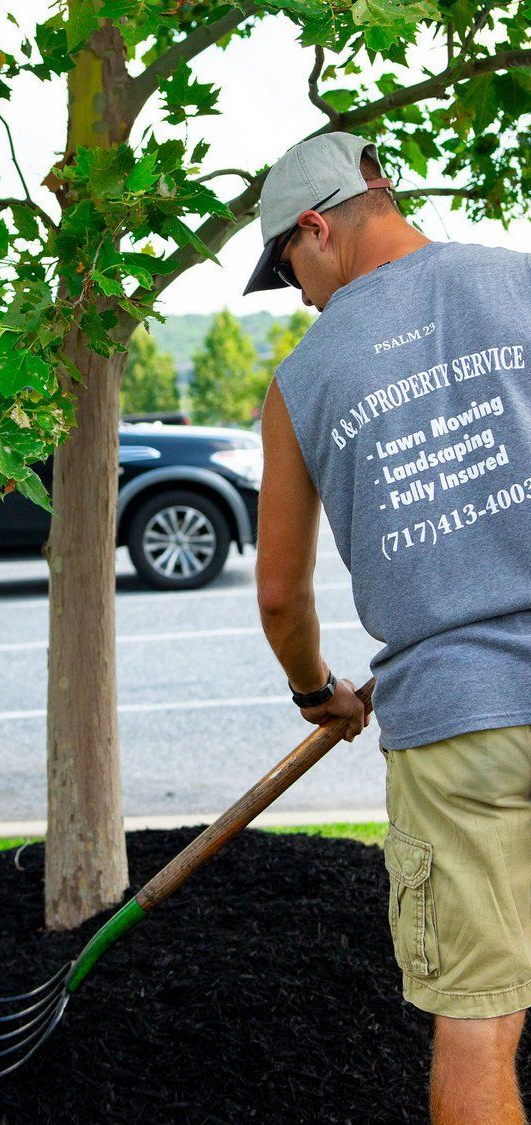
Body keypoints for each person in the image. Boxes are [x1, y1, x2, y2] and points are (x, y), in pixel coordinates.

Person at [245, 130, 531, 1125]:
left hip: (459, 729)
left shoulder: (301, 382)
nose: (304, 301)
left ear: (317, 226)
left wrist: (314, 691)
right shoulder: (522, 282)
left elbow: (280, 593)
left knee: (478, 1025)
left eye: (290, 272)